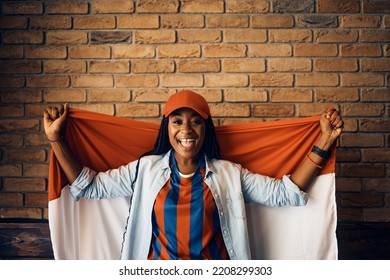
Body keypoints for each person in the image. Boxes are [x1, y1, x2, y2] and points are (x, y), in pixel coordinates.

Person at [43, 90, 344, 260]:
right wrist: (57, 140)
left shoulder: (229, 174)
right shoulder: (144, 170)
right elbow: (88, 187)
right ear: (167, 129)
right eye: (177, 122)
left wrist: (325, 142)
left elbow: (285, 194)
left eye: (195, 122)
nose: (186, 130)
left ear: (205, 129)